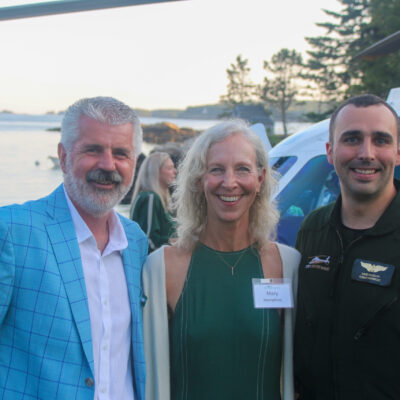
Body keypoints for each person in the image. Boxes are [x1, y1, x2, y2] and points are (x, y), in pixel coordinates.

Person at [0, 97, 148, 400]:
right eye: (93, 150)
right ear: (64, 156)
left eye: (121, 153)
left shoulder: (136, 242)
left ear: (134, 162)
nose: (108, 165)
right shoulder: (12, 231)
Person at [142, 120, 301, 400]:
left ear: (260, 179)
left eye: (242, 169)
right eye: (216, 169)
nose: (230, 183)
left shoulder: (287, 266)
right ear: (199, 179)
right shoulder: (162, 268)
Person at [294, 94, 400, 400]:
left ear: (397, 151)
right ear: (330, 151)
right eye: (352, 139)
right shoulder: (312, 230)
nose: (366, 153)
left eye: (381, 140)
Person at [130, 151, 177, 252]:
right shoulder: (150, 198)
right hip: (155, 264)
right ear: (155, 172)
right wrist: (176, 242)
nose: (175, 171)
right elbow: (149, 240)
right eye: (169, 168)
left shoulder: (154, 197)